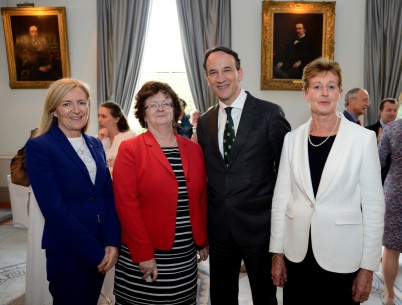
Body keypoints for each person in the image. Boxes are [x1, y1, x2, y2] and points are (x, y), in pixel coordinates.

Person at [269, 57, 385, 305]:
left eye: (331, 86)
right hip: (297, 255)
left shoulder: (362, 140)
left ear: (340, 93)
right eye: (317, 86)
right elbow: (281, 200)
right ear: (305, 93)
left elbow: (374, 207)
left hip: (342, 256)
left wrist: (368, 267)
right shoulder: (292, 139)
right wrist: (277, 253)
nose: (324, 93)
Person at [197, 46, 291, 305]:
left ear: (240, 72)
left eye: (227, 70)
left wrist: (281, 232)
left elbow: (287, 173)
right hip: (220, 229)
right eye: (213, 72)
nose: (220, 78)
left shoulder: (269, 114)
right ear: (207, 79)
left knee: (264, 296)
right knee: (222, 297)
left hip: (260, 228)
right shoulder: (204, 122)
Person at [25, 78, 121, 305]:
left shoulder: (95, 144)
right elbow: (53, 209)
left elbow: (107, 195)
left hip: (100, 246)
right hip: (67, 250)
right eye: (67, 104)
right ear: (54, 110)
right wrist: (94, 253)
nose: (76, 110)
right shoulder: (40, 146)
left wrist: (111, 241)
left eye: (82, 102)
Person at [112, 81, 208, 305]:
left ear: (175, 110)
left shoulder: (194, 149)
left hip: (184, 254)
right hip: (146, 251)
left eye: (166, 103)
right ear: (143, 114)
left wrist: (202, 239)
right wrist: (144, 254)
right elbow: (126, 206)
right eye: (153, 104)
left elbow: (200, 197)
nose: (161, 108)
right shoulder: (130, 149)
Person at [377, 118, 402, 305]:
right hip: (395, 191)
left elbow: (378, 159)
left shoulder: (393, 127)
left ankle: (389, 294)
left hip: (395, 191)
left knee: (392, 248)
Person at [97, 101, 136, 173]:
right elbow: (94, 164)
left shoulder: (129, 136)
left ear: (116, 119)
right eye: (98, 116)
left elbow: (131, 163)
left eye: (103, 116)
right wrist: (99, 140)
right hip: (104, 182)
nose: (99, 120)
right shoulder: (98, 138)